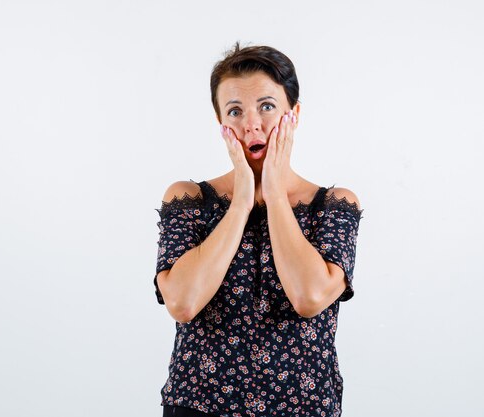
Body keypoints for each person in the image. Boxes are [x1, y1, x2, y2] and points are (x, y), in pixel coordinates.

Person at [153, 42, 364, 417]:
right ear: (222, 124)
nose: (251, 123)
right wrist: (241, 201)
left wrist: (275, 195)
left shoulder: (333, 206)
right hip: (198, 406)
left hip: (302, 407)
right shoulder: (188, 199)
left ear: (293, 114)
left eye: (267, 106)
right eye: (235, 111)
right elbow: (182, 303)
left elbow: (309, 297)